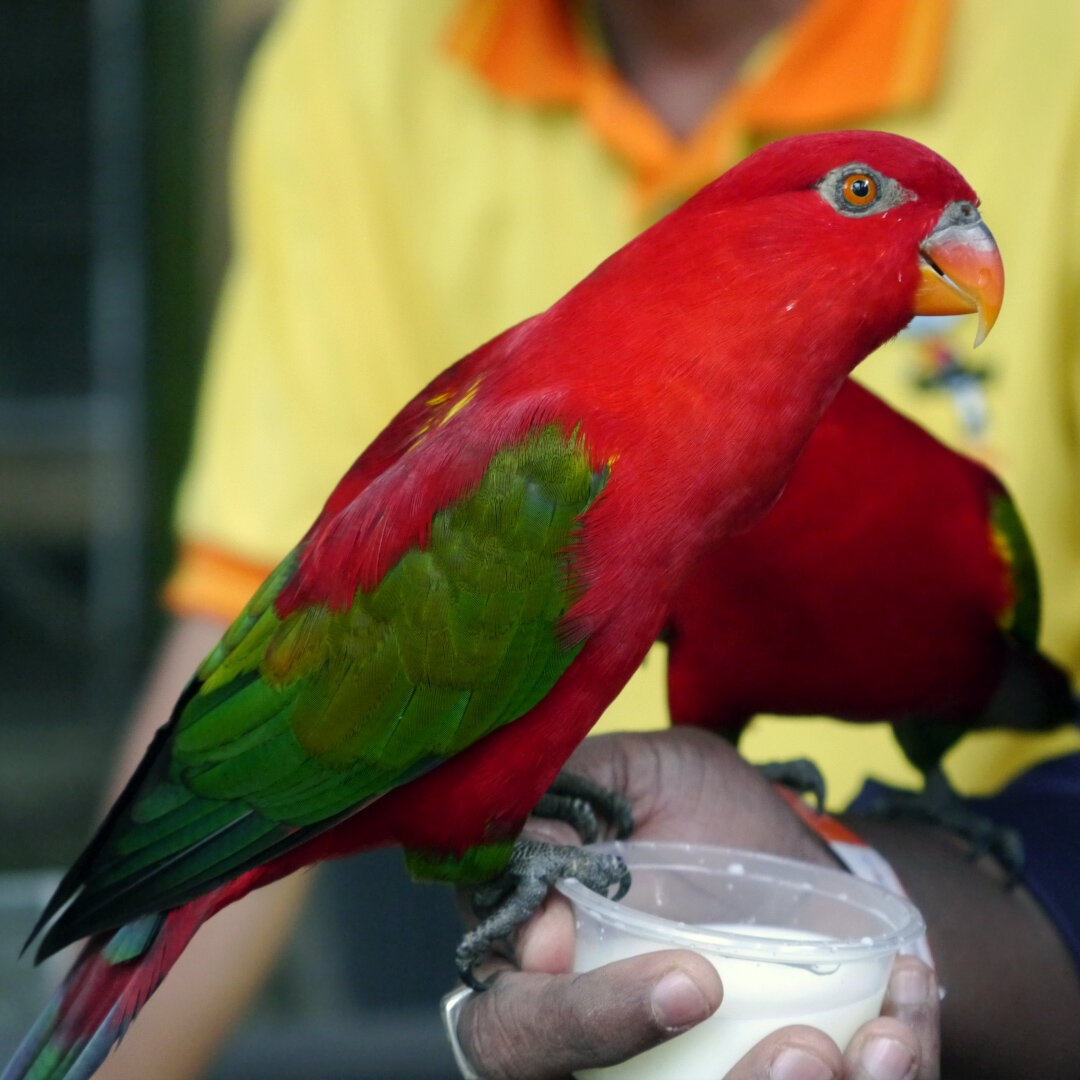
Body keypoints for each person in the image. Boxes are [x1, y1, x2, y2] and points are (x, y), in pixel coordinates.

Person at [94, 0, 1080, 1077]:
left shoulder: (1051, 55)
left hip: (984, 939)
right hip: (473, 854)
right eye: (860, 195)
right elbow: (285, 619)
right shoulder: (356, 50)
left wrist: (873, 886)